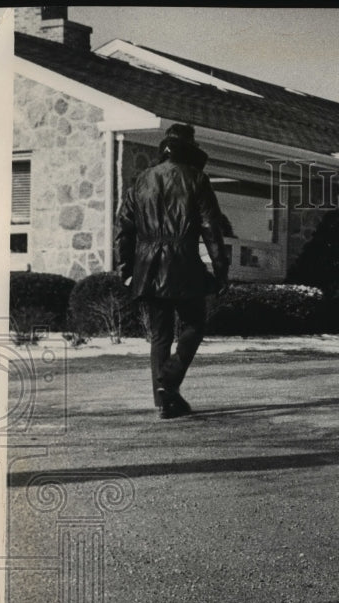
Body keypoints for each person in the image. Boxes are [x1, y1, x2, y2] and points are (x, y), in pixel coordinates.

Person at [115, 123, 229, 419]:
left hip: (147, 265)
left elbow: (124, 230)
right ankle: (169, 381)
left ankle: (162, 398)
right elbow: (211, 229)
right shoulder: (196, 179)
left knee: (160, 335)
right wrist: (220, 271)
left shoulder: (141, 181)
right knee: (195, 324)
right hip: (183, 264)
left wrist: (126, 270)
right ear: (189, 147)